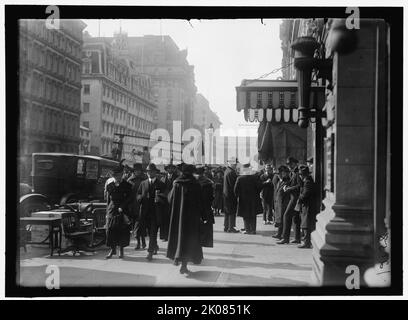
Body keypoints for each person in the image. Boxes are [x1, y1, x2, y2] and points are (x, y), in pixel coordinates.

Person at [167, 164, 208, 274]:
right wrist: (204, 216)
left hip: (179, 218)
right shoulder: (196, 184)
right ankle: (184, 264)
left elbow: (170, 200)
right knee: (190, 241)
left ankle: (178, 258)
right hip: (192, 219)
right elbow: (201, 202)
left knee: (180, 238)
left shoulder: (177, 184)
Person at [137, 163, 167, 261]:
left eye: (151, 171)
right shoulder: (143, 183)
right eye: (148, 171)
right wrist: (142, 197)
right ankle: (155, 245)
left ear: (155, 172)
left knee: (153, 232)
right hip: (145, 212)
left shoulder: (161, 184)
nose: (150, 173)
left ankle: (150, 252)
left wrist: (159, 198)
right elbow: (138, 195)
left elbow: (166, 197)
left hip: (156, 212)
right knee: (149, 232)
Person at [105, 165, 133, 259]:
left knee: (122, 230)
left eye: (120, 175)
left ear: (122, 175)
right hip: (112, 210)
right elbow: (108, 200)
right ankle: (112, 249)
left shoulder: (127, 185)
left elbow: (130, 198)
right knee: (110, 229)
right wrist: (107, 212)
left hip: (122, 210)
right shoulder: (110, 185)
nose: (118, 177)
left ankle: (121, 250)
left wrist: (122, 206)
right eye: (116, 175)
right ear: (114, 176)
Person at [277, 157, 302, 244]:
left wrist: (289, 189)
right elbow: (293, 183)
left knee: (286, 216)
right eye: (288, 164)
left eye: (291, 164)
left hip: (295, 198)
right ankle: (297, 238)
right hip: (293, 197)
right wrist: (286, 186)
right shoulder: (293, 173)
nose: (289, 166)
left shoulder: (298, 173)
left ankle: (285, 238)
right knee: (295, 218)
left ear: (295, 163)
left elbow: (299, 186)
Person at [234, 164, 263, 234]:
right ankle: (253, 230)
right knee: (253, 215)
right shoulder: (255, 177)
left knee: (245, 215)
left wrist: (238, 196)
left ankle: (247, 229)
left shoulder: (240, 178)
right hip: (253, 199)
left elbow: (235, 190)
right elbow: (260, 187)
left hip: (243, 200)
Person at [128, 163, 147, 250]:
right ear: (134, 171)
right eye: (136, 170)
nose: (137, 172)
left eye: (139, 170)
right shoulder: (130, 180)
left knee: (142, 224)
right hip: (133, 206)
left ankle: (142, 241)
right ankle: (139, 242)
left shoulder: (145, 179)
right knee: (135, 225)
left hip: (143, 204)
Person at [297, 165, 317, 248]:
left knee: (306, 224)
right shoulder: (306, 181)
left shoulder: (307, 181)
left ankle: (306, 242)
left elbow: (305, 194)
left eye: (301, 174)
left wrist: (299, 198)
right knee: (305, 223)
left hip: (307, 205)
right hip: (306, 205)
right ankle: (306, 241)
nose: (300, 176)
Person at [195, 165, 215, 246]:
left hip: (196, 209)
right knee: (205, 230)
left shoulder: (193, 182)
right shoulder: (208, 182)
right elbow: (211, 197)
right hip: (206, 209)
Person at [159, 164, 180, 242]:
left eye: (172, 168)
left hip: (174, 201)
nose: (170, 170)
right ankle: (165, 236)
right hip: (164, 202)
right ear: (166, 169)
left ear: (174, 169)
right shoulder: (162, 179)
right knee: (165, 219)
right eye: (168, 168)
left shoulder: (177, 178)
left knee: (173, 218)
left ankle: (173, 236)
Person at [272, 165, 291, 240]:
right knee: (279, 218)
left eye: (280, 173)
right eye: (278, 174)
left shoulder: (287, 181)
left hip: (284, 203)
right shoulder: (279, 181)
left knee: (283, 219)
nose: (278, 175)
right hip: (278, 202)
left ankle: (283, 235)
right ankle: (279, 233)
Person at [223, 157, 239, 233]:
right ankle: (231, 227)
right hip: (231, 195)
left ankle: (226, 226)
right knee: (232, 211)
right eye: (235, 164)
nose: (236, 165)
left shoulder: (227, 171)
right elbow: (234, 185)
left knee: (227, 211)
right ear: (232, 163)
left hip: (226, 194)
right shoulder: (231, 172)